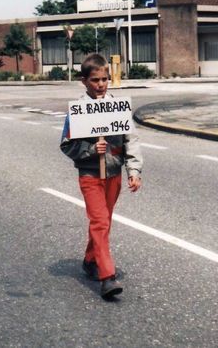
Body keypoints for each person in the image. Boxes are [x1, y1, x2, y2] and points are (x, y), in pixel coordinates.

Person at [60, 53, 142, 299]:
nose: (101, 84)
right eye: (95, 80)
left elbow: (131, 140)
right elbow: (66, 145)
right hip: (90, 175)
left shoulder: (118, 106)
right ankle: (107, 277)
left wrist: (134, 171)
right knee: (100, 222)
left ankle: (90, 260)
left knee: (104, 221)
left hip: (113, 173)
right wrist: (90, 150)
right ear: (84, 81)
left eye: (105, 79)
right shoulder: (78, 111)